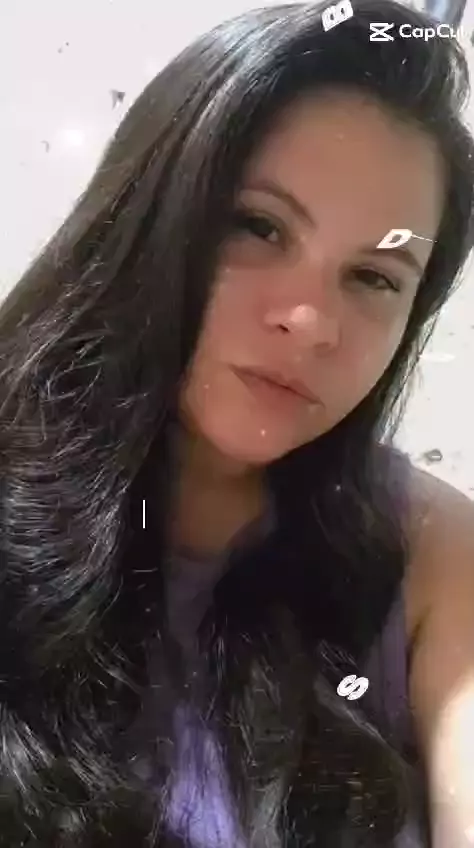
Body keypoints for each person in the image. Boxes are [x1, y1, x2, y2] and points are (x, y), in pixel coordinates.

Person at [0, 0, 473, 845]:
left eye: (375, 277)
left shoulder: (434, 549)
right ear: (146, 214)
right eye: (257, 226)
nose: (312, 323)